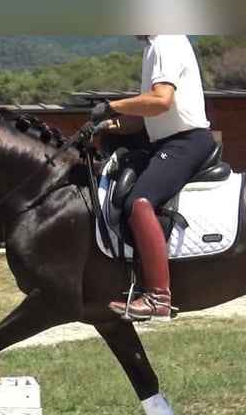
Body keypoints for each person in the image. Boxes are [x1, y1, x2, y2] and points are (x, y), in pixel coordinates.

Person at [89, 35, 215, 322]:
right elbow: (145, 117)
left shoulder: (165, 41)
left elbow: (160, 100)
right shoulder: (152, 47)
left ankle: (159, 298)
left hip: (186, 141)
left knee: (140, 202)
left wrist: (112, 106)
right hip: (165, 141)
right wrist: (103, 125)